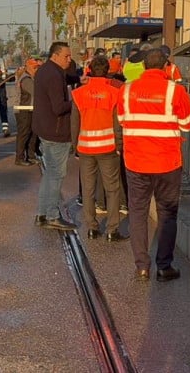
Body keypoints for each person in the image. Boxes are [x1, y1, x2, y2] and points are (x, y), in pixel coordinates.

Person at [118, 48, 190, 282]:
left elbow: (123, 120)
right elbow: (189, 124)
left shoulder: (127, 90)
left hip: (136, 161)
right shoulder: (176, 90)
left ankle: (142, 266)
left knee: (138, 212)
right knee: (167, 214)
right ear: (166, 66)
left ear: (143, 67)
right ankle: (164, 266)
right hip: (167, 162)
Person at [71, 55, 128, 242]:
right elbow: (118, 122)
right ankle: (112, 230)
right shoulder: (114, 92)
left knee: (88, 189)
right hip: (108, 147)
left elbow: (74, 123)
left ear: (89, 70)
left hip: (86, 148)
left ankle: (91, 228)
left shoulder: (78, 93)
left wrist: (75, 147)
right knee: (112, 189)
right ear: (108, 71)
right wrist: (119, 146)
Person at [32, 41, 77, 231]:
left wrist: (78, 79)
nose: (69, 59)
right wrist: (75, 100)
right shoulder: (53, 75)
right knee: (56, 175)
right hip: (56, 132)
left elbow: (62, 80)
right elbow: (59, 107)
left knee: (49, 174)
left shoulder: (46, 70)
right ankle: (52, 215)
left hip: (45, 129)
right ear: (55, 55)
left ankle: (42, 214)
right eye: (66, 56)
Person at [14, 57, 40, 166]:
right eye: (34, 67)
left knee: (33, 134)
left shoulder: (32, 78)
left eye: (37, 67)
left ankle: (31, 156)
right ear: (28, 67)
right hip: (23, 110)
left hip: (31, 109)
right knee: (24, 134)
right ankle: (19, 158)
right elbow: (36, 92)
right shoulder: (26, 79)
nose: (36, 70)